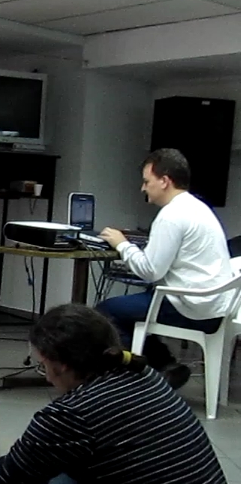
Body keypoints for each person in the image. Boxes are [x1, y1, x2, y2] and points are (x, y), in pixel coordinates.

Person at [0, 303, 234, 484]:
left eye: (42, 365)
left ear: (60, 364)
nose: (45, 376)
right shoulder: (144, 375)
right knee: (64, 466)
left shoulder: (72, 415)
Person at [96, 148, 234, 389]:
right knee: (135, 307)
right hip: (213, 307)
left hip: (191, 310)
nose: (143, 188)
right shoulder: (198, 207)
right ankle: (166, 366)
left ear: (164, 181)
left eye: (146, 181)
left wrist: (122, 244)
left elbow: (150, 271)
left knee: (105, 313)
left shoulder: (171, 216)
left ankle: (148, 375)